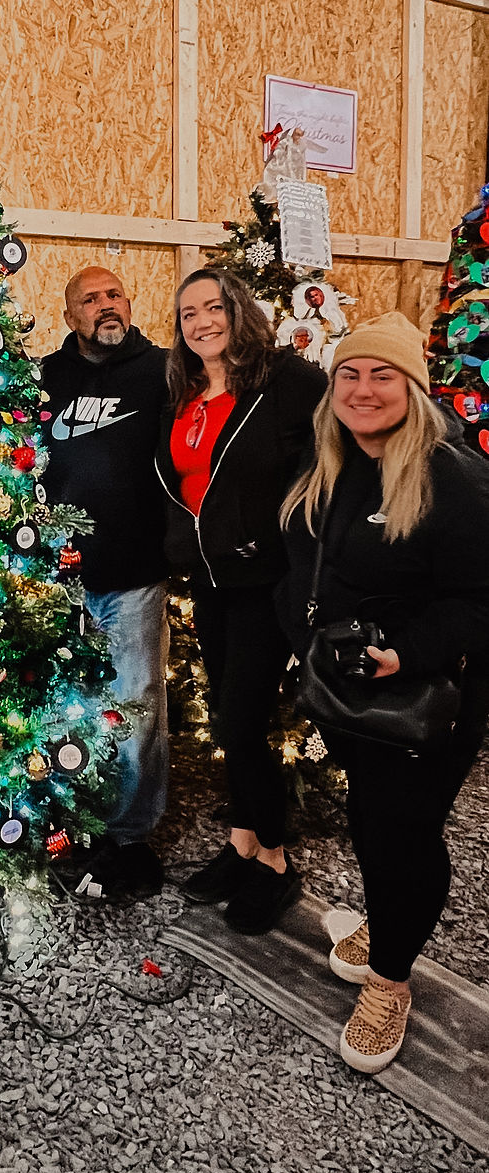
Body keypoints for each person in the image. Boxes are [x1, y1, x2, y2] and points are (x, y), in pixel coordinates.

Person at [277, 311, 489, 1072]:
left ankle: (392, 979)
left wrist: (405, 652)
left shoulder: (455, 480)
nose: (363, 389)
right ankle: (383, 921)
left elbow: (478, 603)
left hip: (427, 699)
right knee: (371, 821)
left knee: (410, 838)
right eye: (350, 374)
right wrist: (310, 644)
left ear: (415, 388)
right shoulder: (329, 463)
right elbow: (300, 570)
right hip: (351, 693)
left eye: (384, 374)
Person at [155, 268, 327, 933]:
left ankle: (277, 863)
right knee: (229, 711)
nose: (200, 321)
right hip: (211, 581)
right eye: (188, 312)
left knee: (241, 720)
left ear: (237, 311)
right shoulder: (187, 393)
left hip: (267, 583)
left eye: (212, 307)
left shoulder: (286, 383)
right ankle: (243, 843)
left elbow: (331, 464)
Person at [40, 266, 170, 897]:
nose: (105, 306)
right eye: (89, 300)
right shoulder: (46, 377)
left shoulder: (166, 372)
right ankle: (71, 819)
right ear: (71, 318)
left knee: (135, 708)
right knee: (62, 709)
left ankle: (127, 836)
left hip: (133, 577)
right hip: (55, 579)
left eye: (114, 294)